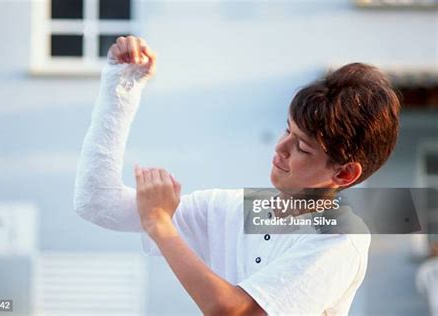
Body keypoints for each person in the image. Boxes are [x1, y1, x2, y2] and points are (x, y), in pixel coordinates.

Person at [73, 36, 401, 315]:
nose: (280, 148)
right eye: (287, 130)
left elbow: (236, 312)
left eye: (302, 147)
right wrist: (121, 86)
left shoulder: (342, 237)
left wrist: (160, 225)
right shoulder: (230, 208)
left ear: (344, 173)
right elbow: (96, 203)